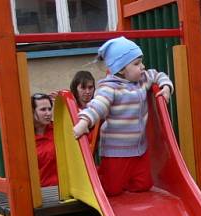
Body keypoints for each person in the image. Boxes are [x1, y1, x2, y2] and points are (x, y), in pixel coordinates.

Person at [73, 37, 173, 197]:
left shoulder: (142, 80)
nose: (142, 67)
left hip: (140, 149)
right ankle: (95, 177)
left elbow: (159, 75)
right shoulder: (109, 87)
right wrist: (84, 121)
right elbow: (97, 105)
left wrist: (166, 87)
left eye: (141, 62)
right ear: (120, 69)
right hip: (116, 151)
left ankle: (123, 178)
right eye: (136, 64)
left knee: (144, 185)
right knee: (111, 189)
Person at [32, 93, 58, 187]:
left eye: (50, 109)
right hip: (40, 193)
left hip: (63, 190)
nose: (48, 113)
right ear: (32, 111)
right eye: (43, 109)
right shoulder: (25, 138)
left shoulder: (58, 130)